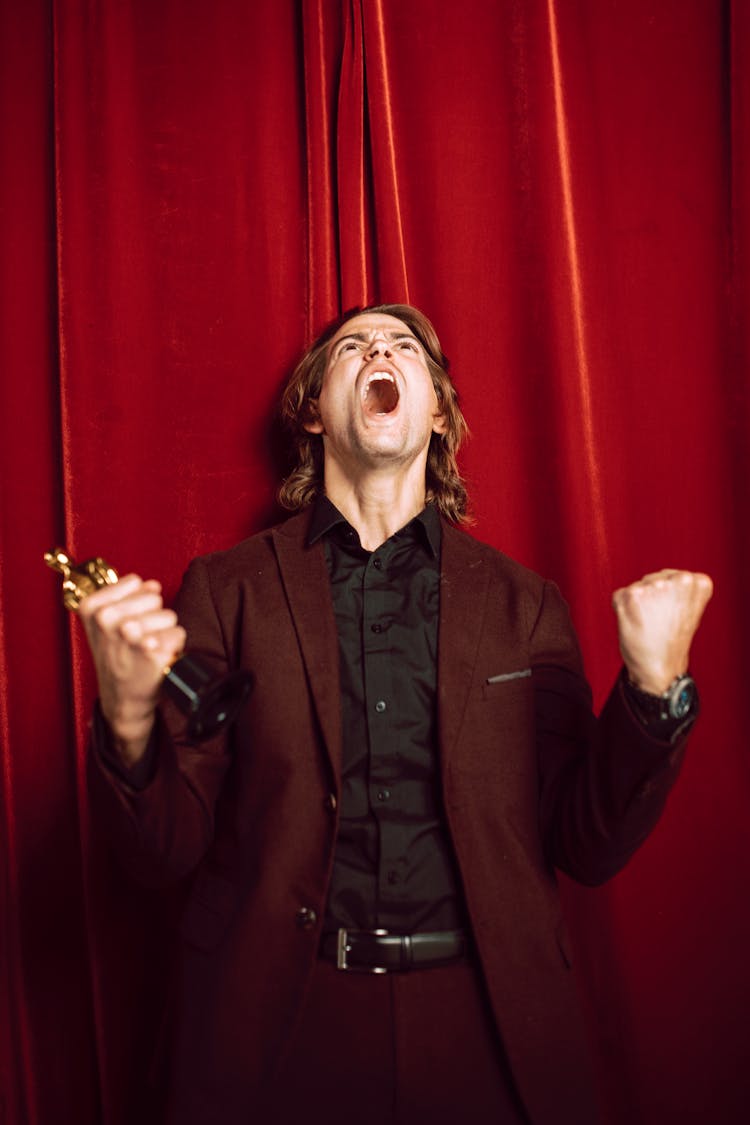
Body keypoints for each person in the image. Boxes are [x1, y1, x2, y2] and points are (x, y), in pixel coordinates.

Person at [82, 304, 712, 1125]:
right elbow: (164, 849)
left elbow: (583, 842)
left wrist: (654, 691)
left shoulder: (524, 605)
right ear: (314, 410)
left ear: (440, 412)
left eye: (405, 346)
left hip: (485, 1032)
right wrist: (127, 713)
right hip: (278, 1032)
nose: (380, 347)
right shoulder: (226, 591)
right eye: (353, 346)